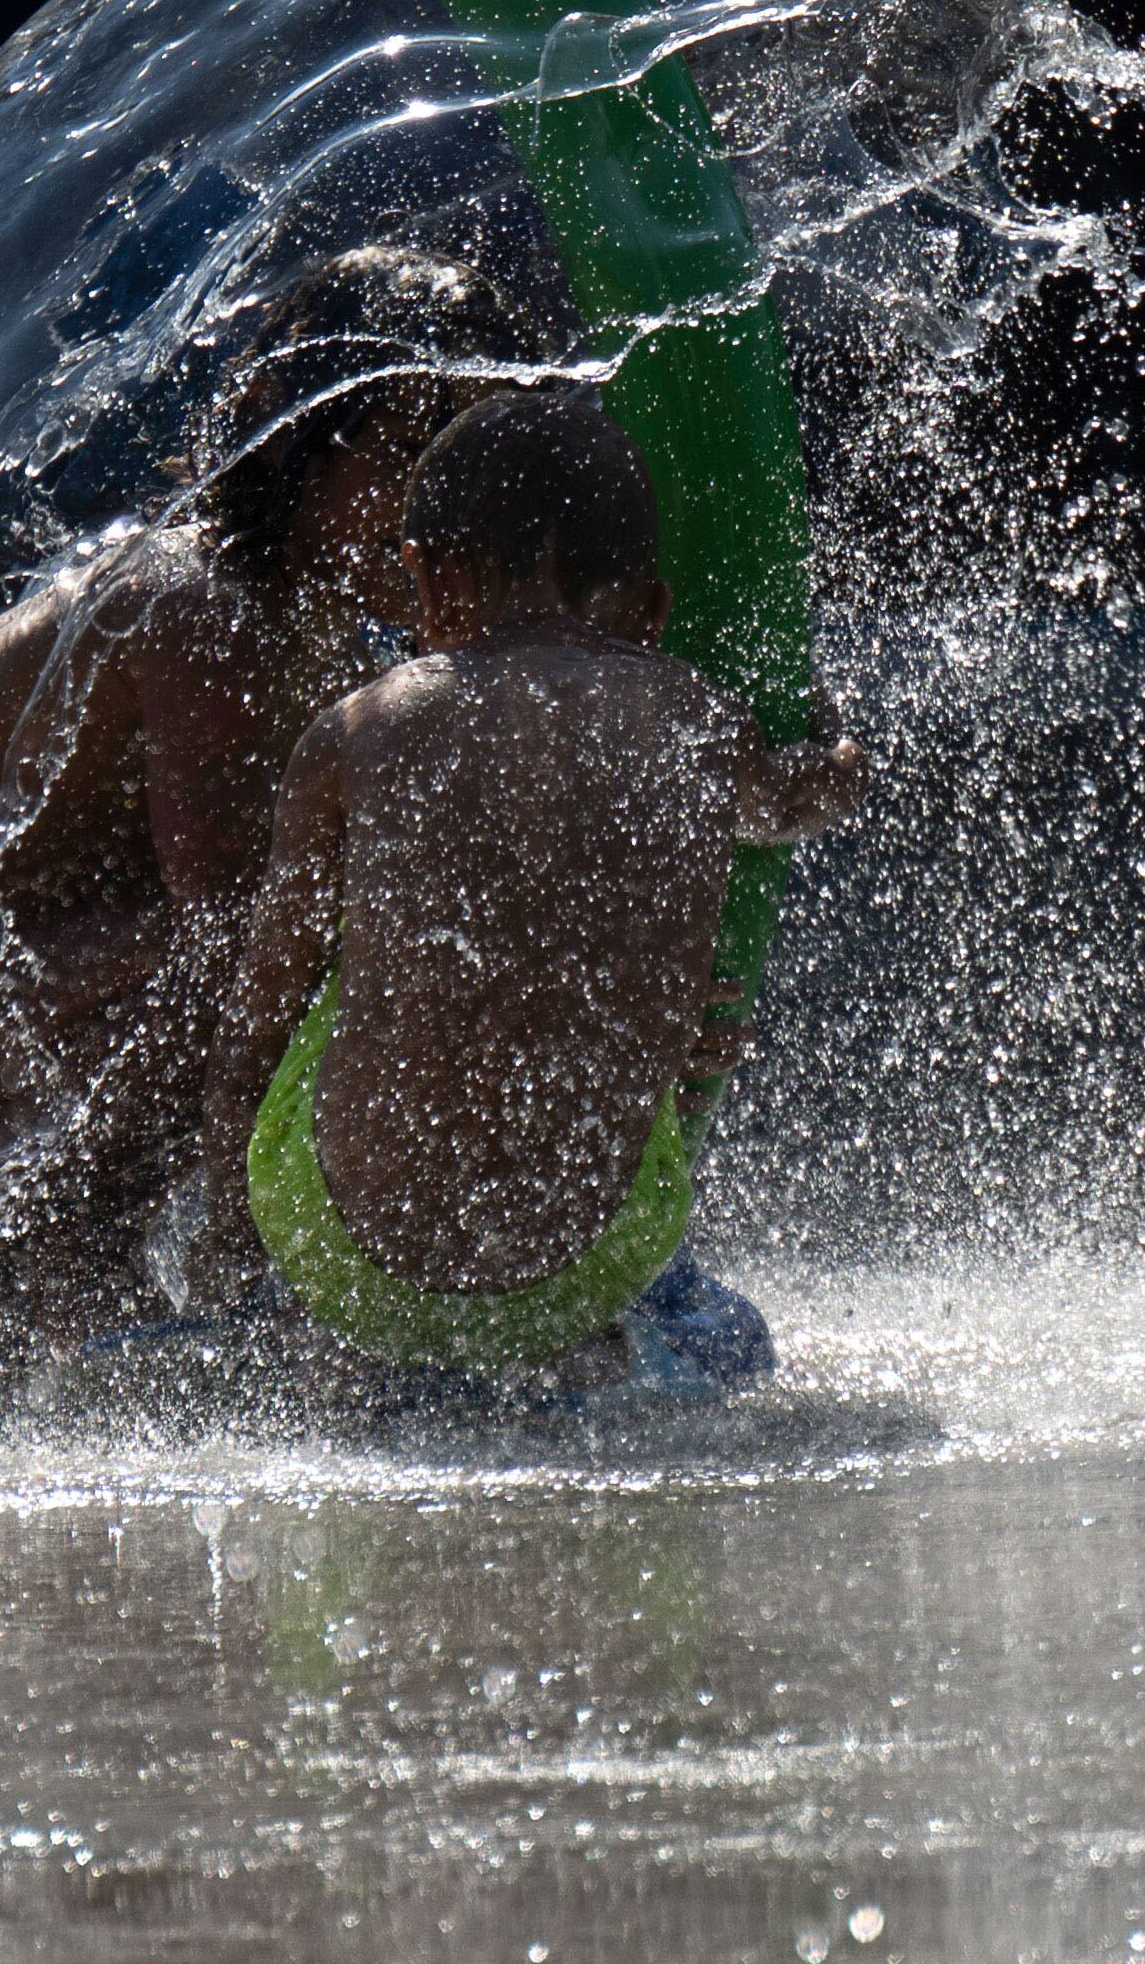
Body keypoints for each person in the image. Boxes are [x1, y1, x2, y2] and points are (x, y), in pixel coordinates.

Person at [0, 243, 557, 1376]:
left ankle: (77, 1260)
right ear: (299, 444)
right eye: (404, 455)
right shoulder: (200, 606)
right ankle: (30, 1252)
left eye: (471, 469)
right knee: (262, 959)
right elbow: (244, 923)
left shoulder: (321, 625)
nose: (439, 509)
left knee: (327, 950)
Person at [186, 390, 865, 1385]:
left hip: (346, 1261)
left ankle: (297, 1320)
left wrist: (226, 1251)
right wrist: (833, 730)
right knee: (616, 966)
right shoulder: (706, 726)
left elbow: (258, 1019)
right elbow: (814, 797)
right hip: (587, 1266)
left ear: (427, 574)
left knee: (344, 968)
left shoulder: (357, 731)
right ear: (652, 611)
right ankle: (591, 1341)